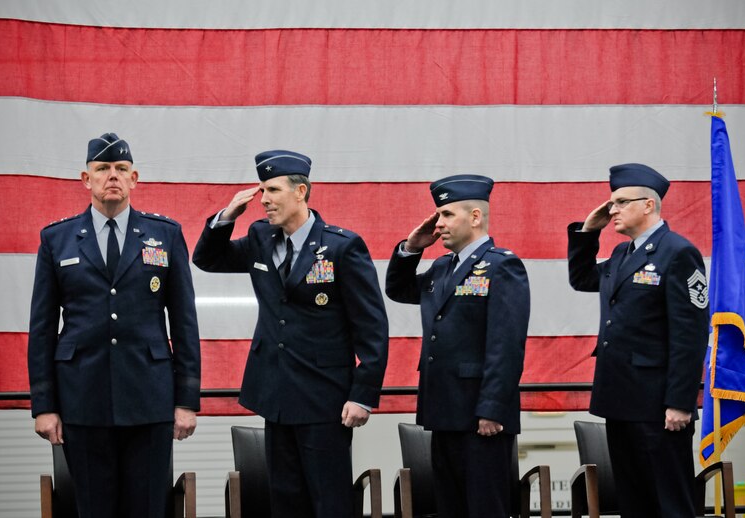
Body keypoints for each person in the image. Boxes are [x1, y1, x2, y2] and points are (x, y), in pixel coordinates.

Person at [192, 149, 389, 518]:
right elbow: (208, 259)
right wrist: (225, 218)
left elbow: (372, 327)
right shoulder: (260, 237)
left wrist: (363, 395)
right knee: (284, 500)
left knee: (328, 501)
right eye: (262, 191)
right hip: (275, 394)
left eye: (273, 190)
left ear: (300, 192)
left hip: (324, 397)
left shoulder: (342, 246)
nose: (264, 200)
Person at [28, 133, 201, 518]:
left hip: (150, 398)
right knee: (94, 508)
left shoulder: (165, 235)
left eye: (121, 169)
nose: (112, 176)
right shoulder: (57, 239)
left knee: (148, 509)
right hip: (81, 398)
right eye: (102, 168)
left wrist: (186, 401)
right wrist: (44, 405)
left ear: (134, 178)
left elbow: (185, 322)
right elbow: (41, 328)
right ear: (85, 179)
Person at [567, 163, 709, 517]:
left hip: (658, 403)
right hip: (620, 397)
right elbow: (583, 278)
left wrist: (679, 402)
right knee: (634, 501)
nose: (612, 209)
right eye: (611, 203)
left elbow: (689, 335)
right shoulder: (621, 254)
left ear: (648, 205)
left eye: (620, 202)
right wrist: (588, 231)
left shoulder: (677, 252)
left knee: (669, 501)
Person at [385, 174, 530, 518]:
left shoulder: (502, 265)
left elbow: (506, 344)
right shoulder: (441, 267)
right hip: (443, 409)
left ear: (475, 217)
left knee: (484, 508)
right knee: (449, 507)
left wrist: (493, 408)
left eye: (448, 214)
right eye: (439, 214)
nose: (440, 223)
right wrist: (411, 249)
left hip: (481, 413)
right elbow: (399, 290)